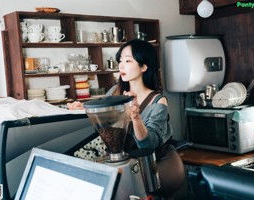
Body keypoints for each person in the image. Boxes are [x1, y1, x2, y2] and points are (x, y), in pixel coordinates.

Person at [68, 39, 185, 199]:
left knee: (118, 189)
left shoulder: (158, 101)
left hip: (159, 164)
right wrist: (83, 109)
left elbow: (148, 144)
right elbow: (104, 118)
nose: (121, 66)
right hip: (131, 162)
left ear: (144, 66)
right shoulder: (115, 92)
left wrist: (136, 117)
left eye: (128, 60)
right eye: (120, 60)